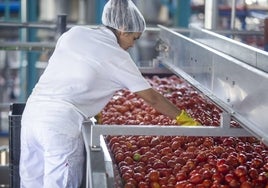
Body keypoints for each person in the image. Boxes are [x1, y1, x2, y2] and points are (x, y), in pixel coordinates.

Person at [20, 0, 199, 187]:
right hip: (61, 124)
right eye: (134, 38)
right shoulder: (118, 56)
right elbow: (152, 98)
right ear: (122, 29)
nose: (132, 45)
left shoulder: (74, 33)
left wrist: (91, 102)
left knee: (30, 180)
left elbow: (76, 72)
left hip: (32, 115)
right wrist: (183, 119)